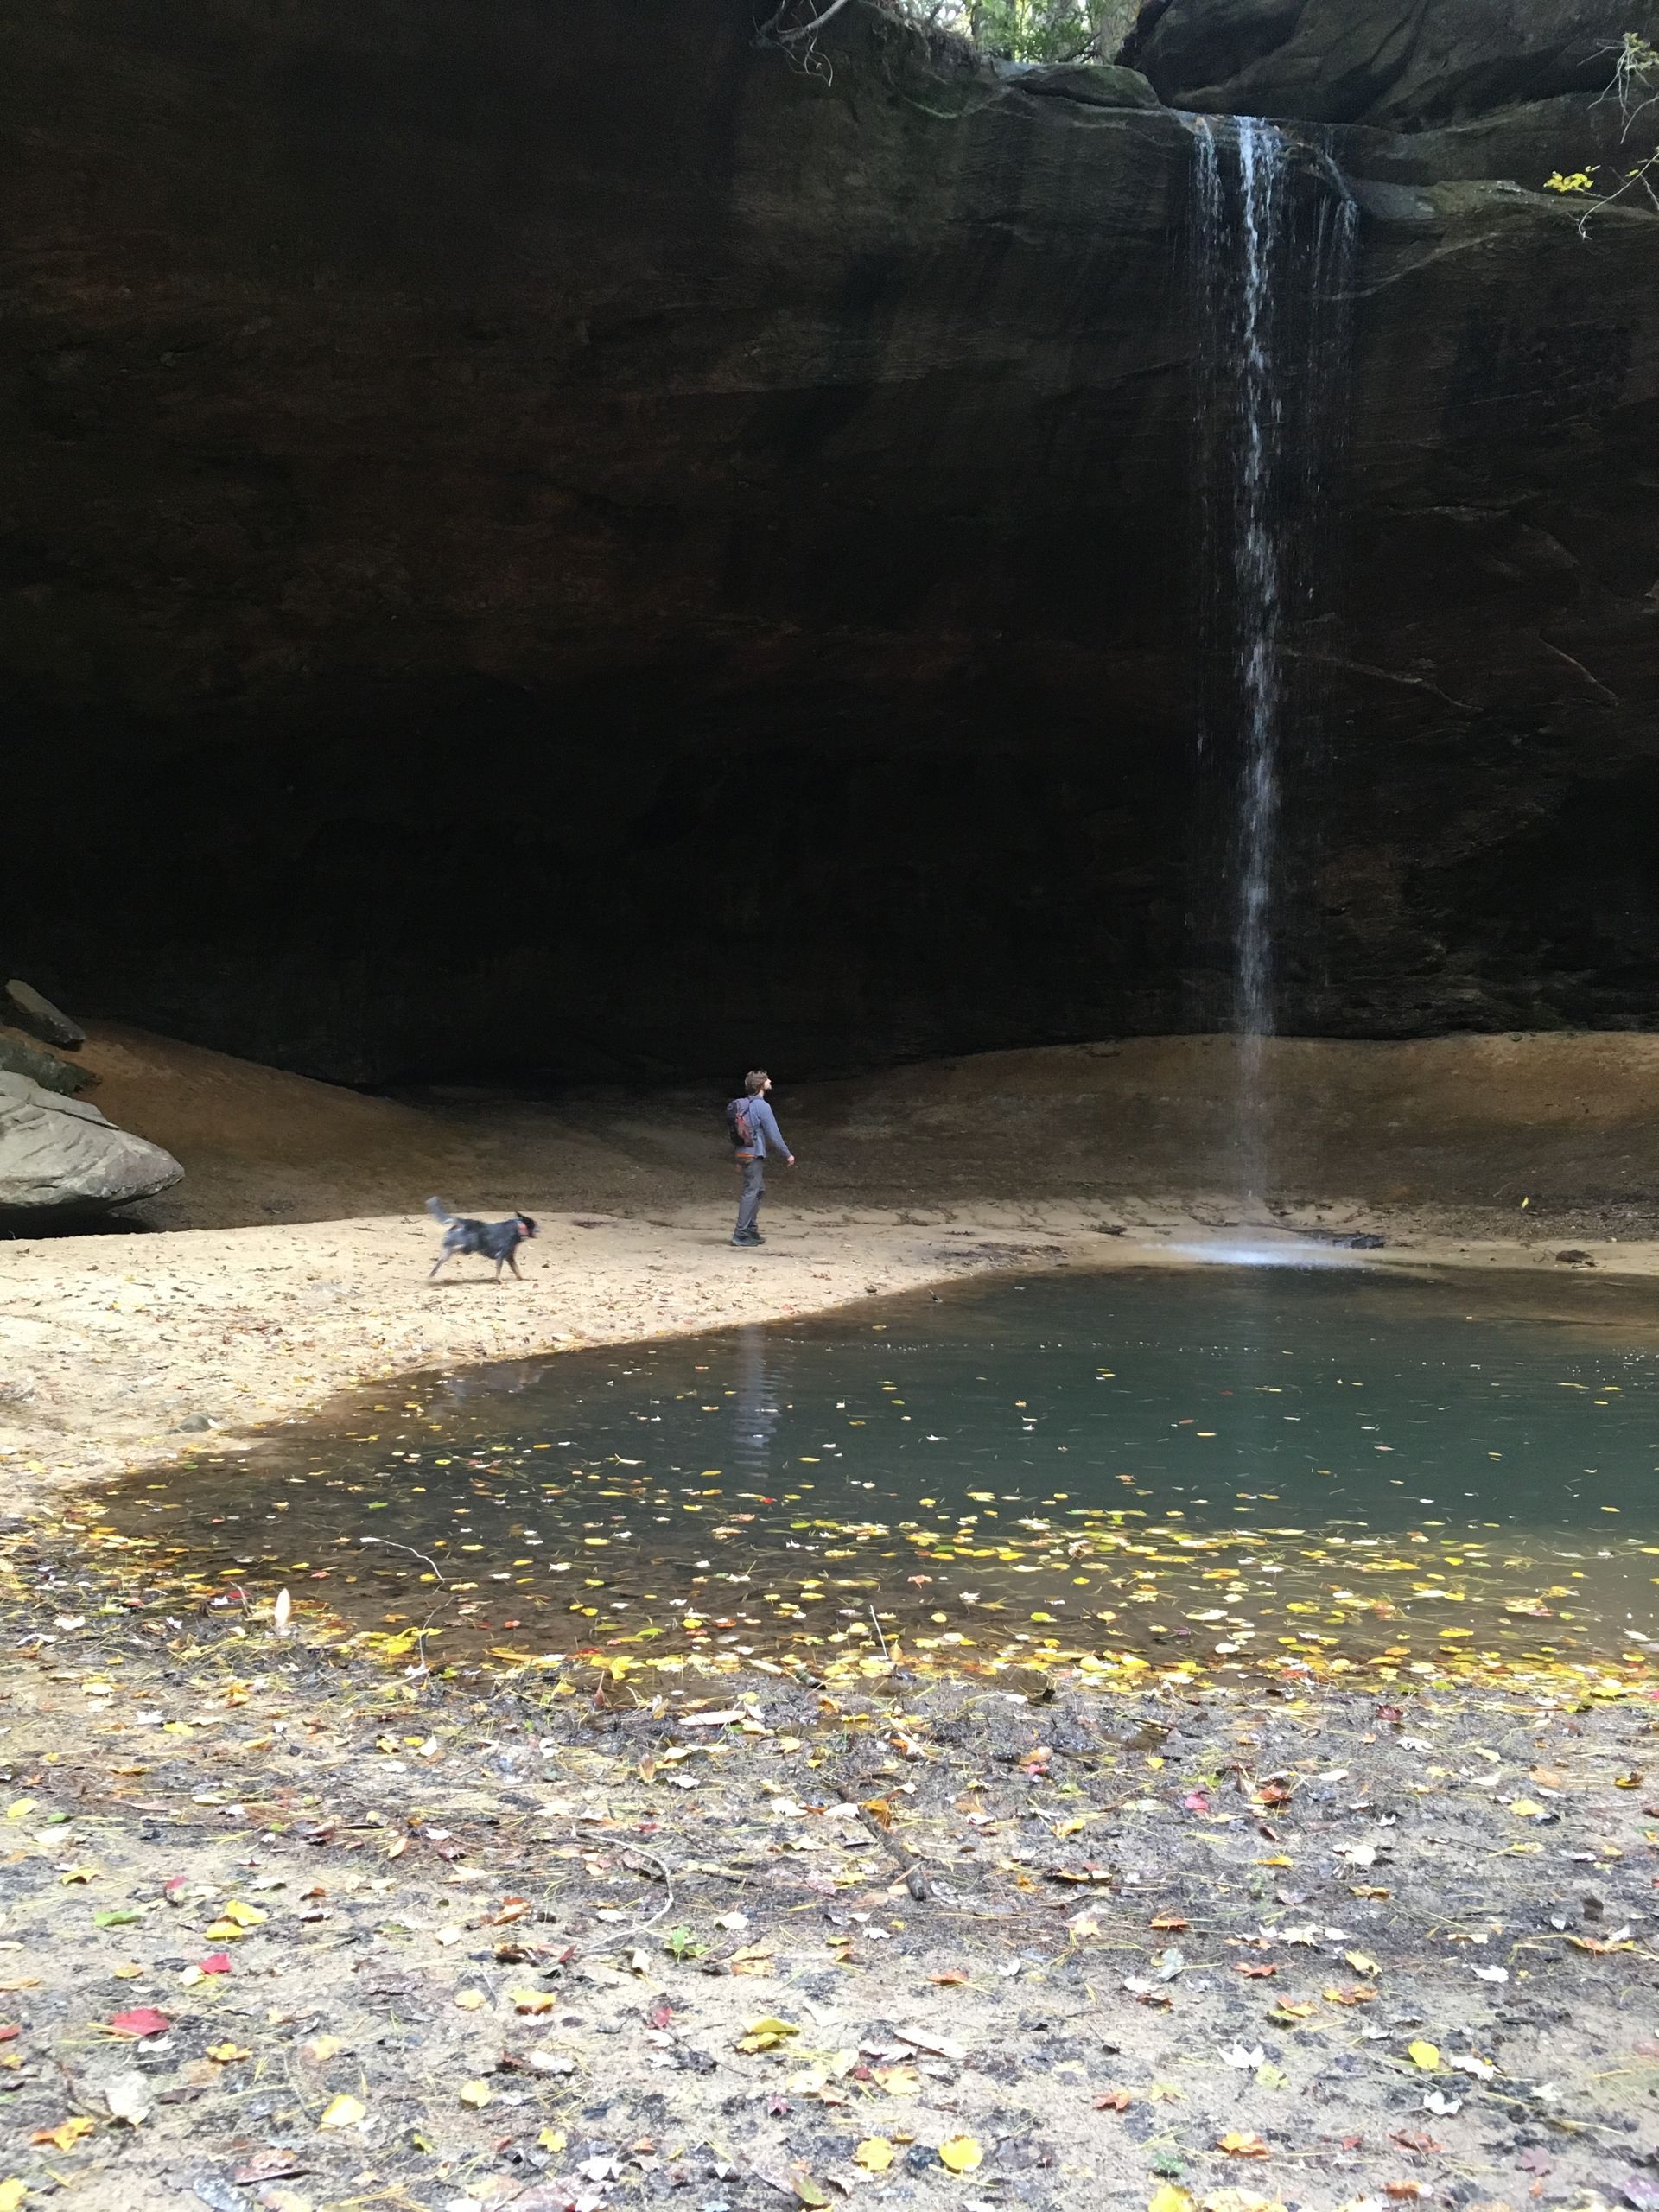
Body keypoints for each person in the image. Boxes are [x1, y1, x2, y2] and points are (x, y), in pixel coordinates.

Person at [729, 1068, 794, 1247]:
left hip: (743, 1152)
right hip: (753, 1153)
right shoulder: (762, 1106)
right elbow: (774, 1134)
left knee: (758, 1190)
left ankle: (751, 1229)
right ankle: (740, 1233)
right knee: (752, 1191)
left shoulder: (743, 1104)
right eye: (766, 1079)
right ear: (760, 1085)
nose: (770, 1081)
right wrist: (787, 1154)